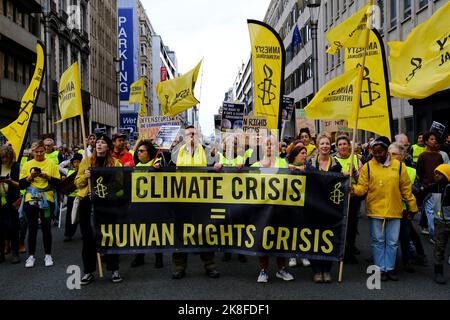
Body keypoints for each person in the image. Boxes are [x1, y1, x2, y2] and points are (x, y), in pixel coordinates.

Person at [351, 136, 418, 282]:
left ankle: (390, 268)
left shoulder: (399, 166)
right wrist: (353, 189)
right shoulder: (368, 166)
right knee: (378, 240)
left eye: (380, 152)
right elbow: (363, 188)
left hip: (395, 210)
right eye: (374, 152)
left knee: (392, 242)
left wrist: (412, 206)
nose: (377, 155)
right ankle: (380, 269)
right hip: (375, 210)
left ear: (386, 151)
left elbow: (406, 189)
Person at [172, 125, 220, 279]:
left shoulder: (206, 150)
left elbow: (215, 164)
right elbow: (171, 169)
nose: (191, 136)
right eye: (188, 134)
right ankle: (179, 266)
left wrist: (217, 165)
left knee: (205, 230)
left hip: (202, 197)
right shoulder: (177, 151)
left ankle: (209, 265)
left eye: (193, 133)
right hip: (182, 197)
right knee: (180, 231)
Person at [75, 135, 123, 284]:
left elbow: (121, 184)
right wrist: (85, 176)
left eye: (102, 143)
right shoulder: (87, 161)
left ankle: (114, 270)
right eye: (97, 143)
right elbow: (77, 182)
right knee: (88, 239)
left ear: (108, 146)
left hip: (107, 204)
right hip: (88, 204)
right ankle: (88, 271)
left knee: (109, 236)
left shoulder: (115, 163)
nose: (99, 145)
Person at [251, 135, 294, 283]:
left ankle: (282, 269)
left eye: (272, 144)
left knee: (281, 238)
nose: (269, 147)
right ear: (262, 146)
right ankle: (263, 270)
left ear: (277, 147)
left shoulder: (283, 163)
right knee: (262, 239)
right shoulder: (256, 165)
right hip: (262, 210)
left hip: (280, 208)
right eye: (267, 144)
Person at [19, 141, 61, 268]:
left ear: (45, 151)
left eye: (41, 151)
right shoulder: (27, 165)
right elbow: (21, 184)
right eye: (36, 151)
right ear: (32, 152)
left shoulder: (51, 163)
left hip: (47, 199)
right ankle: (31, 256)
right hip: (30, 198)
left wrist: (47, 176)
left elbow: (58, 183)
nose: (39, 154)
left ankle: (48, 255)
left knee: (46, 227)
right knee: (32, 227)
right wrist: (30, 177)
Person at [307, 133, 342, 283]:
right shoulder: (310, 164)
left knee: (329, 238)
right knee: (314, 239)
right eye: (322, 143)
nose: (325, 146)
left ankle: (327, 270)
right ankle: (316, 270)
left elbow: (339, 184)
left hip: (331, 208)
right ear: (317, 146)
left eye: (327, 143)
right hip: (313, 207)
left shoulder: (336, 164)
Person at [389, 142, 426, 273]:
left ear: (403, 156)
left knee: (405, 236)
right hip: (387, 208)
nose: (391, 156)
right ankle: (389, 262)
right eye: (390, 154)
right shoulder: (383, 168)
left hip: (404, 209)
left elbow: (417, 190)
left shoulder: (411, 171)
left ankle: (407, 261)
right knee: (388, 238)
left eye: (394, 154)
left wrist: (404, 185)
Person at [130, 139, 164, 269]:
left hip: (154, 204)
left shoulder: (156, 163)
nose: (139, 153)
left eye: (142, 151)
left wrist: (157, 168)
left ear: (149, 153)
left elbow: (161, 169)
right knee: (139, 231)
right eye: (138, 151)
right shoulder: (137, 166)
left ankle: (158, 257)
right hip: (139, 204)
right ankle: (139, 256)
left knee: (156, 230)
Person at [213, 134, 247, 263]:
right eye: (229, 143)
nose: (231, 146)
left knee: (239, 223)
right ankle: (226, 250)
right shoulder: (219, 156)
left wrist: (243, 165)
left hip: (238, 196)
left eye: (234, 143)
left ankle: (240, 250)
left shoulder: (241, 158)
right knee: (225, 223)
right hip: (223, 196)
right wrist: (215, 166)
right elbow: (209, 168)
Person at [334, 135, 364, 264]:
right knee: (340, 224)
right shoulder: (333, 160)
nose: (342, 146)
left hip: (353, 197)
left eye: (345, 144)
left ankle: (350, 249)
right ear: (337, 147)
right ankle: (339, 249)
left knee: (352, 225)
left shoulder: (356, 159)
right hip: (338, 197)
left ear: (349, 146)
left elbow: (362, 179)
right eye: (340, 144)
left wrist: (355, 172)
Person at [286, 145, 311, 268]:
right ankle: (292, 255)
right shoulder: (287, 167)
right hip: (290, 203)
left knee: (303, 228)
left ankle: (304, 253)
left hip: (305, 201)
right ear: (295, 155)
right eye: (302, 153)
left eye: (305, 153)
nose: (305, 155)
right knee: (291, 228)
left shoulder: (308, 167)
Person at [417, 131, 444, 242]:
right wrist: (423, 184)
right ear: (426, 141)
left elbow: (441, 169)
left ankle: (432, 233)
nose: (434, 141)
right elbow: (419, 172)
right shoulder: (422, 155)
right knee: (430, 210)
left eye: (435, 139)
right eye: (432, 139)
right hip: (426, 187)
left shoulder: (439, 156)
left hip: (437, 187)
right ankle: (432, 233)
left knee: (434, 211)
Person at [0, 145, 21, 264]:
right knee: (0, 228)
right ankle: (1, 253)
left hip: (12, 201)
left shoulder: (16, 166)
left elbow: (20, 183)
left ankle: (15, 252)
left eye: (6, 158)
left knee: (13, 227)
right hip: (0, 201)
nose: (4, 160)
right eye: (2, 158)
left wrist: (9, 181)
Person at [430, 164, 450, 284]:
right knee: (439, 247)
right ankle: (438, 271)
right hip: (440, 222)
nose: (436, 175)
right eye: (435, 173)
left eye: (440, 174)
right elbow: (423, 196)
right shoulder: (434, 187)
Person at [59, 153, 83, 242]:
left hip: (82, 196)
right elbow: (59, 166)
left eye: (78, 162)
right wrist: (69, 160)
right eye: (74, 162)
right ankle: (68, 234)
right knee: (70, 216)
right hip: (71, 197)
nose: (76, 164)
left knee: (82, 216)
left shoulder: (85, 172)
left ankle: (84, 233)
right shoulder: (69, 172)